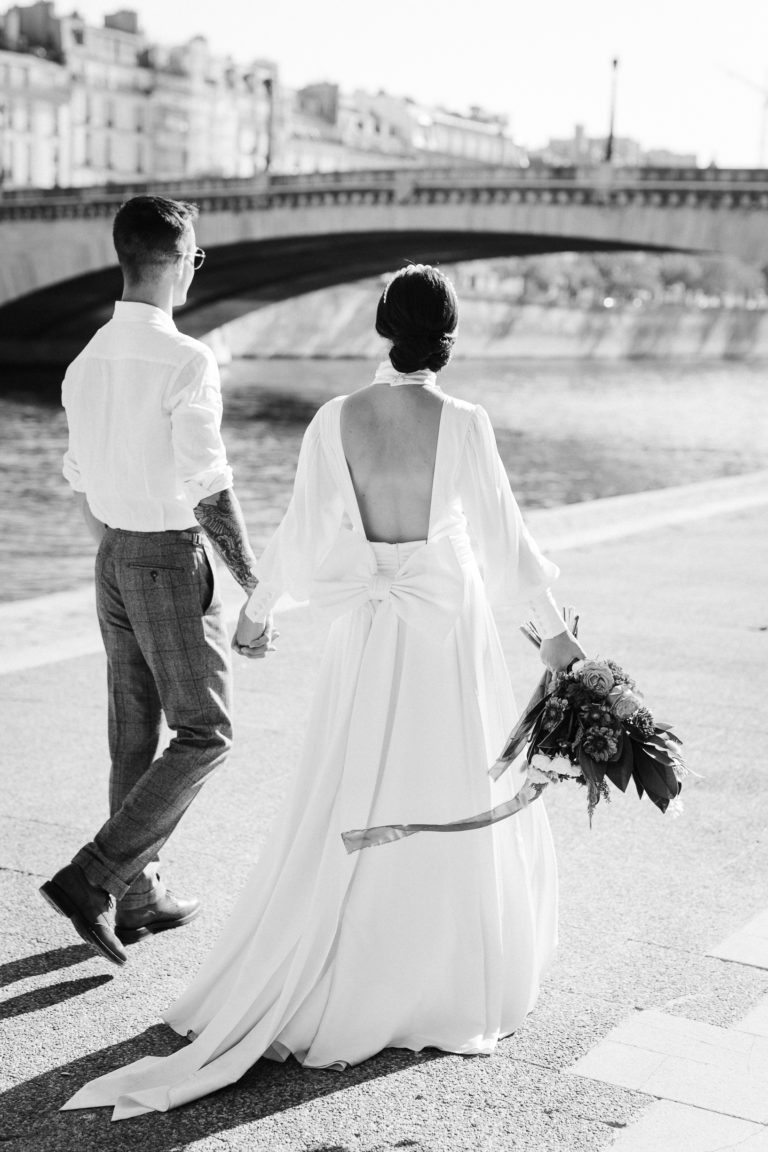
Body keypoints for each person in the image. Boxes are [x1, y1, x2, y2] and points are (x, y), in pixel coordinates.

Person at [62, 264, 584, 1119]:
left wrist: (260, 614)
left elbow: (301, 530)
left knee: (349, 783)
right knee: (446, 781)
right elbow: (506, 547)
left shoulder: (334, 418)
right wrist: (557, 639)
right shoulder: (464, 423)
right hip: (442, 631)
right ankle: (435, 971)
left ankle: (336, 961)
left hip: (368, 631)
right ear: (450, 335)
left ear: (382, 328)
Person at [40, 195, 274, 968]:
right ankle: (97, 876)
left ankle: (137, 899)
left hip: (112, 553)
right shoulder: (186, 359)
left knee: (134, 731)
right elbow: (208, 486)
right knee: (208, 731)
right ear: (176, 261)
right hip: (169, 557)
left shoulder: (84, 362)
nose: (193, 273)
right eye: (195, 259)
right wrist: (254, 589)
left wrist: (114, 552)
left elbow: (79, 477)